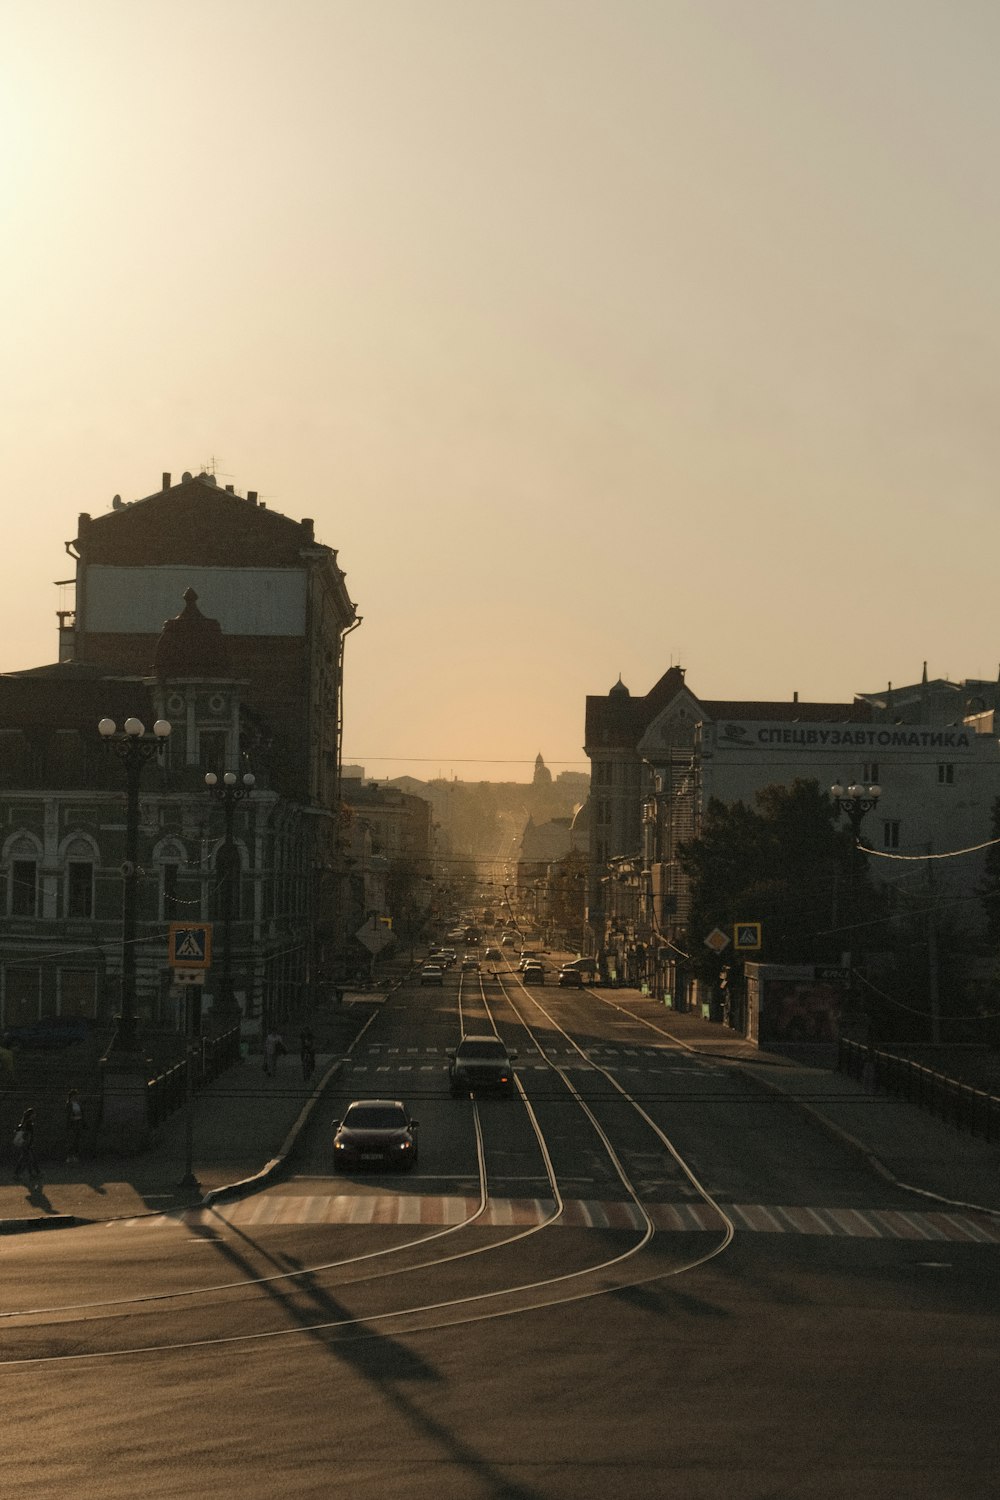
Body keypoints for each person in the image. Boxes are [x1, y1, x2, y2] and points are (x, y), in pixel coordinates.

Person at [13, 1107, 40, 1187]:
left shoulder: (24, 1123)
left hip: (24, 1144)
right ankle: (18, 1174)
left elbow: (17, 1130)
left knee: (26, 1159)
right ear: (31, 1115)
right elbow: (29, 1135)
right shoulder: (29, 1123)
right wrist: (29, 1143)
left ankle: (30, 1174)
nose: (35, 1115)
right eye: (34, 1114)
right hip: (26, 1144)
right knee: (26, 1159)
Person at [66, 1089, 85, 1162]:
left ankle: (75, 1155)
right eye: (75, 1095)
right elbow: (68, 1115)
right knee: (71, 1140)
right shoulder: (69, 1104)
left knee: (77, 1140)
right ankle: (69, 1156)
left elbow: (81, 1113)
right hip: (72, 1124)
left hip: (78, 1123)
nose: (76, 1097)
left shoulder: (78, 1104)